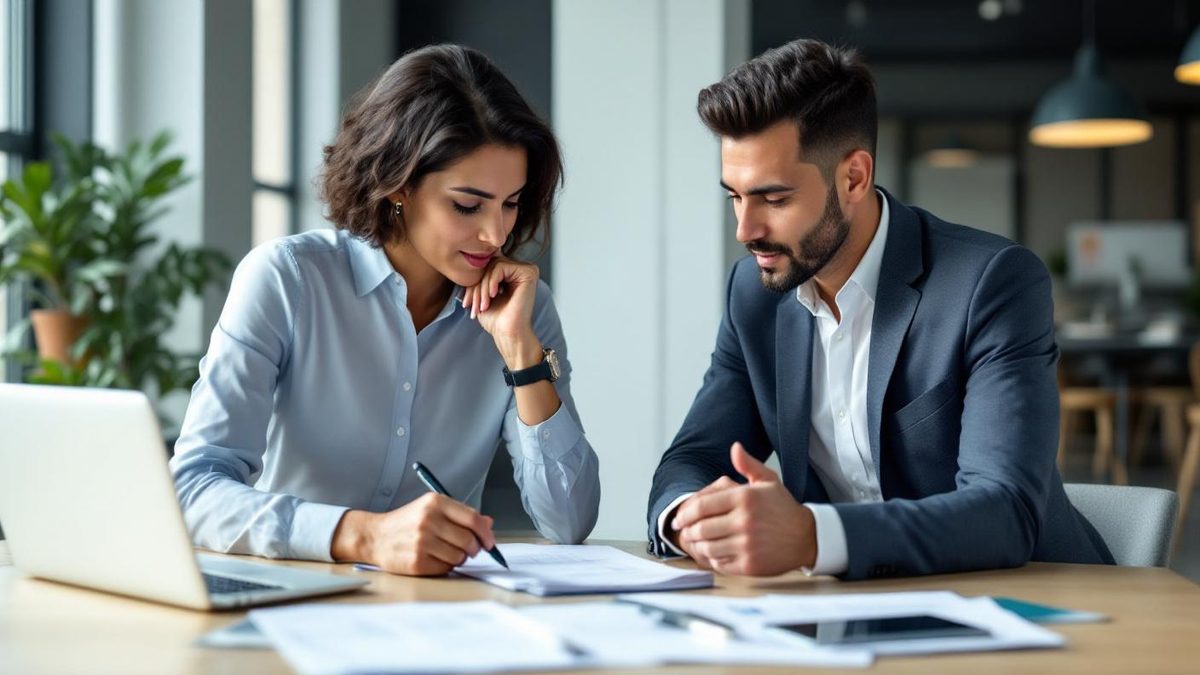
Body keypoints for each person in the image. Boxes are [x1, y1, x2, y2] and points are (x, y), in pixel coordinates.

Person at [647, 38, 1113, 580]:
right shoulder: (755, 296)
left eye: (774, 200)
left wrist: (811, 536)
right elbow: (692, 460)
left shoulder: (992, 283)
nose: (745, 230)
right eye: (734, 195)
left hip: (1038, 603)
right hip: (855, 616)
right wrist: (690, 520)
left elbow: (1004, 511)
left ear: (853, 178)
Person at [172, 44, 599, 576]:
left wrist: (522, 354)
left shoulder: (523, 308)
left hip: (444, 615)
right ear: (398, 185)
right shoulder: (288, 280)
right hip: (293, 597)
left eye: (510, 202)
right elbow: (193, 489)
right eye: (467, 205)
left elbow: (569, 521)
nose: (496, 234)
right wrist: (361, 535)